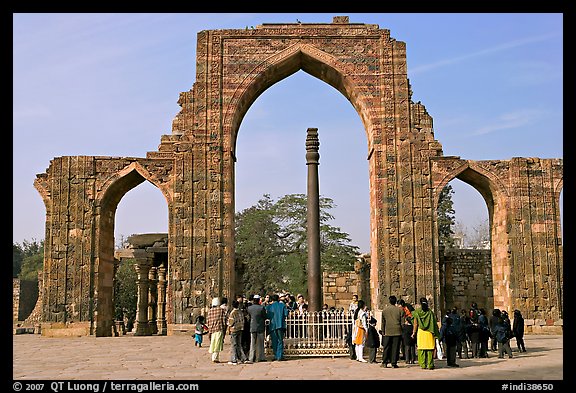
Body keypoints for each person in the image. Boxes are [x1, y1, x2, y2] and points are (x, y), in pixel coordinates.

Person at [411, 297, 440, 370]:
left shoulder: (417, 312)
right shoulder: (430, 312)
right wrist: (436, 333)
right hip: (429, 332)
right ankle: (430, 364)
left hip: (421, 332)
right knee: (430, 349)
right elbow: (434, 323)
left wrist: (414, 333)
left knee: (421, 349)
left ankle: (423, 364)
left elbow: (415, 324)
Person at [380, 295, 404, 368]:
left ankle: (384, 362)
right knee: (395, 347)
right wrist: (402, 329)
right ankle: (394, 362)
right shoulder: (400, 310)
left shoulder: (385, 310)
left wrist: (383, 331)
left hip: (388, 330)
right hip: (397, 330)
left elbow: (383, 322)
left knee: (386, 347)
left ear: (389, 301)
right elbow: (402, 322)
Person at [266, 294, 289, 361]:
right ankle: (280, 356)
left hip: (273, 325)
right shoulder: (282, 305)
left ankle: (276, 355)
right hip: (281, 324)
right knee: (280, 341)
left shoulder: (269, 307)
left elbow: (268, 316)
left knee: (274, 341)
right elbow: (286, 314)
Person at [227, 299, 249, 365]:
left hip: (234, 330)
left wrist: (228, 324)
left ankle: (234, 359)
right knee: (239, 344)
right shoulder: (240, 312)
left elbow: (230, 323)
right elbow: (243, 320)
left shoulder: (232, 313)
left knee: (234, 344)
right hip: (240, 329)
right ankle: (243, 358)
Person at [247, 294, 267, 362]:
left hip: (252, 327)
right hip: (260, 327)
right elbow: (265, 316)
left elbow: (249, 317)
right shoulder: (261, 308)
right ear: (258, 300)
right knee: (260, 344)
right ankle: (260, 357)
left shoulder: (249, 308)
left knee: (252, 344)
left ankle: (251, 357)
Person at [206, 297, 227, 363]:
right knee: (218, 343)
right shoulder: (221, 310)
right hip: (219, 328)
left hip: (212, 329)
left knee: (213, 342)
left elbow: (208, 321)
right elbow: (224, 320)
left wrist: (209, 330)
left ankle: (214, 357)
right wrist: (224, 329)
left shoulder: (210, 311)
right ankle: (215, 357)